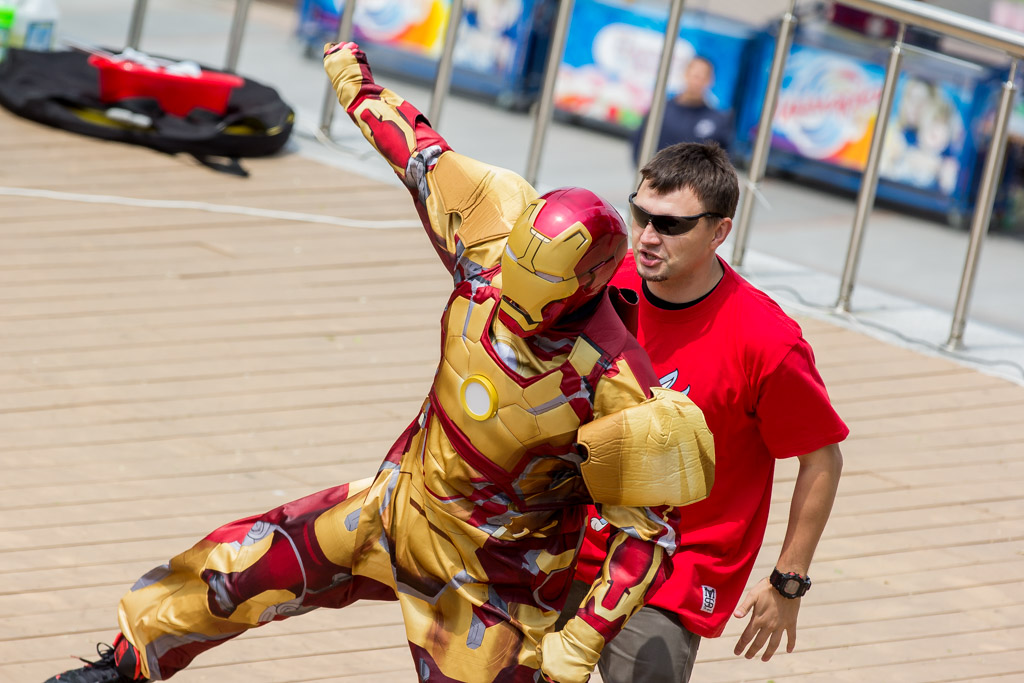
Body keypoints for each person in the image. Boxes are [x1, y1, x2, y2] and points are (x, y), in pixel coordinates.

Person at [43, 43, 716, 683]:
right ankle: (125, 666)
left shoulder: (619, 382)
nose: (512, 302)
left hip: (491, 577)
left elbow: (646, 533)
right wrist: (358, 87)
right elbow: (422, 155)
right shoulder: (488, 247)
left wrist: (583, 638)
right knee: (234, 567)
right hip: (397, 503)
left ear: (588, 283)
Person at [570, 141, 848, 682]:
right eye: (641, 215)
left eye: (671, 225)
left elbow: (822, 461)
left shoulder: (766, 341)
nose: (647, 237)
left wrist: (788, 581)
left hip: (667, 574)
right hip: (565, 541)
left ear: (719, 232)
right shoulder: (601, 283)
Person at [630, 56, 734, 167]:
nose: (697, 82)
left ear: (710, 80)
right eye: (695, 76)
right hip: (657, 175)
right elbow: (639, 143)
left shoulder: (718, 121)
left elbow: (725, 160)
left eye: (703, 77)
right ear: (685, 74)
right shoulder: (661, 110)